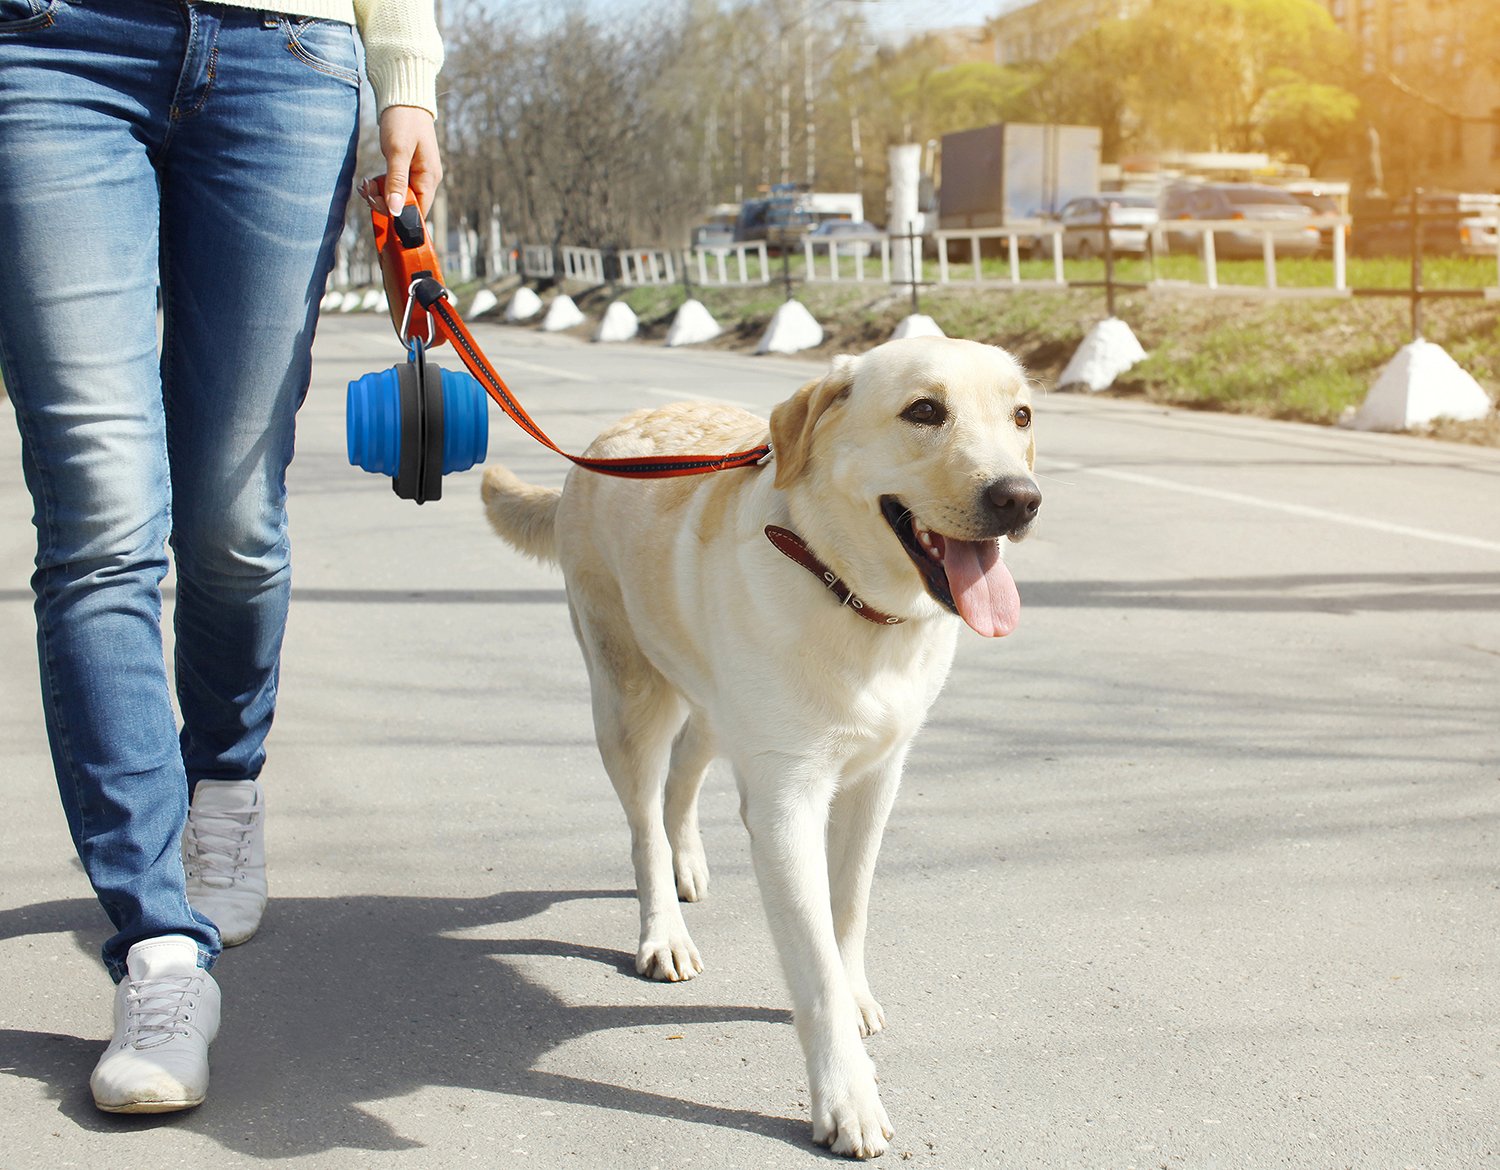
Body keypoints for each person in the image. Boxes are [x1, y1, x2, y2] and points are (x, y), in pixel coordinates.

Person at [0, 0, 443, 1113]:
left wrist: (406, 77)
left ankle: (225, 785)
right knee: (102, 518)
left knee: (233, 517)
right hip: (48, 44)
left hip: (284, 52)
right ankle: (158, 951)